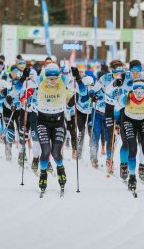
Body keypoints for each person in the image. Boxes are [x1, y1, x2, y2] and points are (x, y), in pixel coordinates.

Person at [35, 63, 86, 194]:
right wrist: (23, 79)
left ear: (59, 76)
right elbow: (20, 89)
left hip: (58, 122)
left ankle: (60, 168)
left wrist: (78, 79)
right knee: (45, 151)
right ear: (45, 77)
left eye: (55, 78)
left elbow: (82, 92)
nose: (53, 81)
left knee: (56, 153)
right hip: (42, 122)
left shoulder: (64, 80)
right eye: (50, 78)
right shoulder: (39, 80)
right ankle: (43, 173)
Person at [114, 80, 144, 193]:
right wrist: (117, 123)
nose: (139, 94)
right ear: (133, 91)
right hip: (129, 121)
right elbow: (116, 110)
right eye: (136, 91)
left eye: (141, 91)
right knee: (132, 148)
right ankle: (132, 177)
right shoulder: (126, 97)